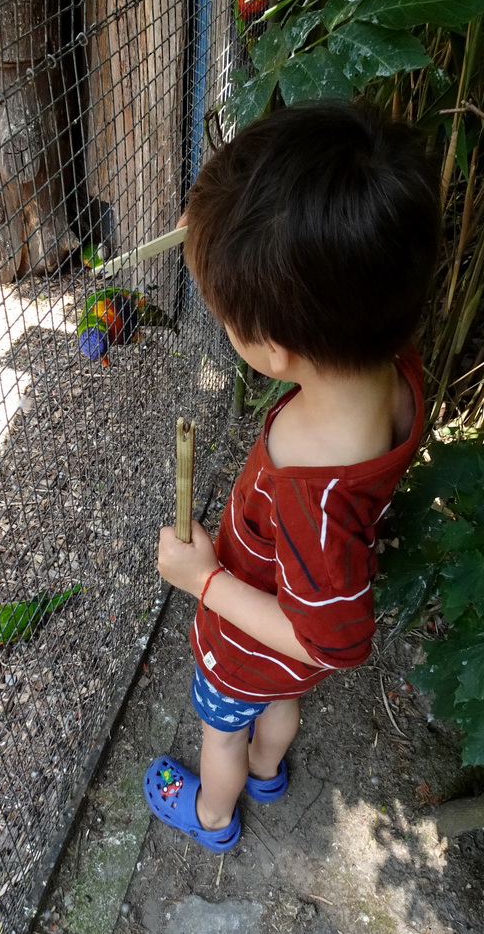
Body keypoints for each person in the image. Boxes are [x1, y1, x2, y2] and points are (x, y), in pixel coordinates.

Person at [143, 99, 440, 853]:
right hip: (282, 659)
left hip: (249, 645)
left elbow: (328, 643)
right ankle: (271, 770)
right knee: (281, 703)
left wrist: (203, 580)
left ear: (273, 349)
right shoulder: (394, 368)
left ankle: (212, 815)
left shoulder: (314, 490)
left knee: (222, 730)